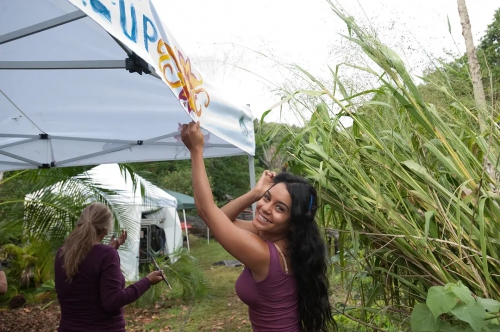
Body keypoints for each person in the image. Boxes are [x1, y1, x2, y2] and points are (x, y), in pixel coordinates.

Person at [181, 122, 336, 332]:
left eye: (280, 208)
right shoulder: (285, 241)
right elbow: (221, 220)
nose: (265, 208)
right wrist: (256, 193)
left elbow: (209, 214)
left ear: (293, 223)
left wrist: (197, 151)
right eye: (267, 198)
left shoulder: (264, 254)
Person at [54, 202, 165, 332]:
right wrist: (147, 281)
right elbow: (113, 301)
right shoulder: (106, 255)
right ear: (106, 230)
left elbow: (85, 273)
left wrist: (109, 249)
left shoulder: (62, 253)